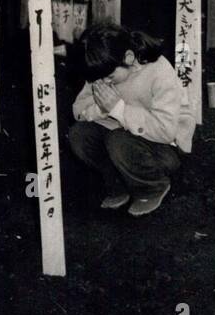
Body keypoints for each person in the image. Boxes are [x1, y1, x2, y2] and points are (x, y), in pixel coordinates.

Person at [66, 23, 194, 217]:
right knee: (79, 135)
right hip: (123, 134)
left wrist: (118, 109)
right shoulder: (104, 68)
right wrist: (101, 108)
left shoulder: (158, 71)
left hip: (166, 147)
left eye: (109, 76)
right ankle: (118, 183)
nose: (105, 82)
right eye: (100, 78)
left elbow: (165, 130)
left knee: (117, 140)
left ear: (128, 57)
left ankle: (152, 186)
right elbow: (78, 110)